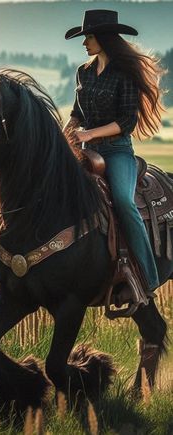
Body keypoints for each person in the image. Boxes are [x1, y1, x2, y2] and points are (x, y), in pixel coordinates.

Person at [63, 9, 165, 295]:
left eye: (89, 37)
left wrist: (90, 134)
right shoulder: (83, 72)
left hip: (117, 151)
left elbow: (126, 122)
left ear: (104, 38)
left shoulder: (124, 74)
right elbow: (75, 114)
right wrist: (62, 138)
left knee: (123, 201)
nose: (84, 43)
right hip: (86, 151)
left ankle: (147, 277)